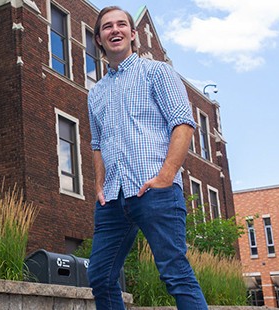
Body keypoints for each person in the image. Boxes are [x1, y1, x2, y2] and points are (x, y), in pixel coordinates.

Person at [86, 6, 207, 310]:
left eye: (121, 25)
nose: (115, 30)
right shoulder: (95, 92)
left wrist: (166, 177)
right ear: (99, 39)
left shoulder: (157, 72)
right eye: (107, 27)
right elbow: (97, 143)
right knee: (100, 277)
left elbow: (183, 124)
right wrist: (99, 185)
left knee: (175, 274)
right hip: (113, 199)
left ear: (133, 34)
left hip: (155, 192)